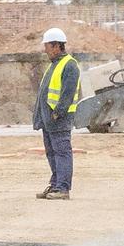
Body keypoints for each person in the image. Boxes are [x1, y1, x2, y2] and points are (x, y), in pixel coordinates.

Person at [33, 27, 80, 199]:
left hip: (59, 119)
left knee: (62, 153)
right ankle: (55, 185)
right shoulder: (54, 65)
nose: (45, 49)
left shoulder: (69, 65)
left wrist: (57, 113)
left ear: (56, 46)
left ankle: (63, 188)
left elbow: (67, 93)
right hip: (49, 119)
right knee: (52, 153)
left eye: (47, 46)